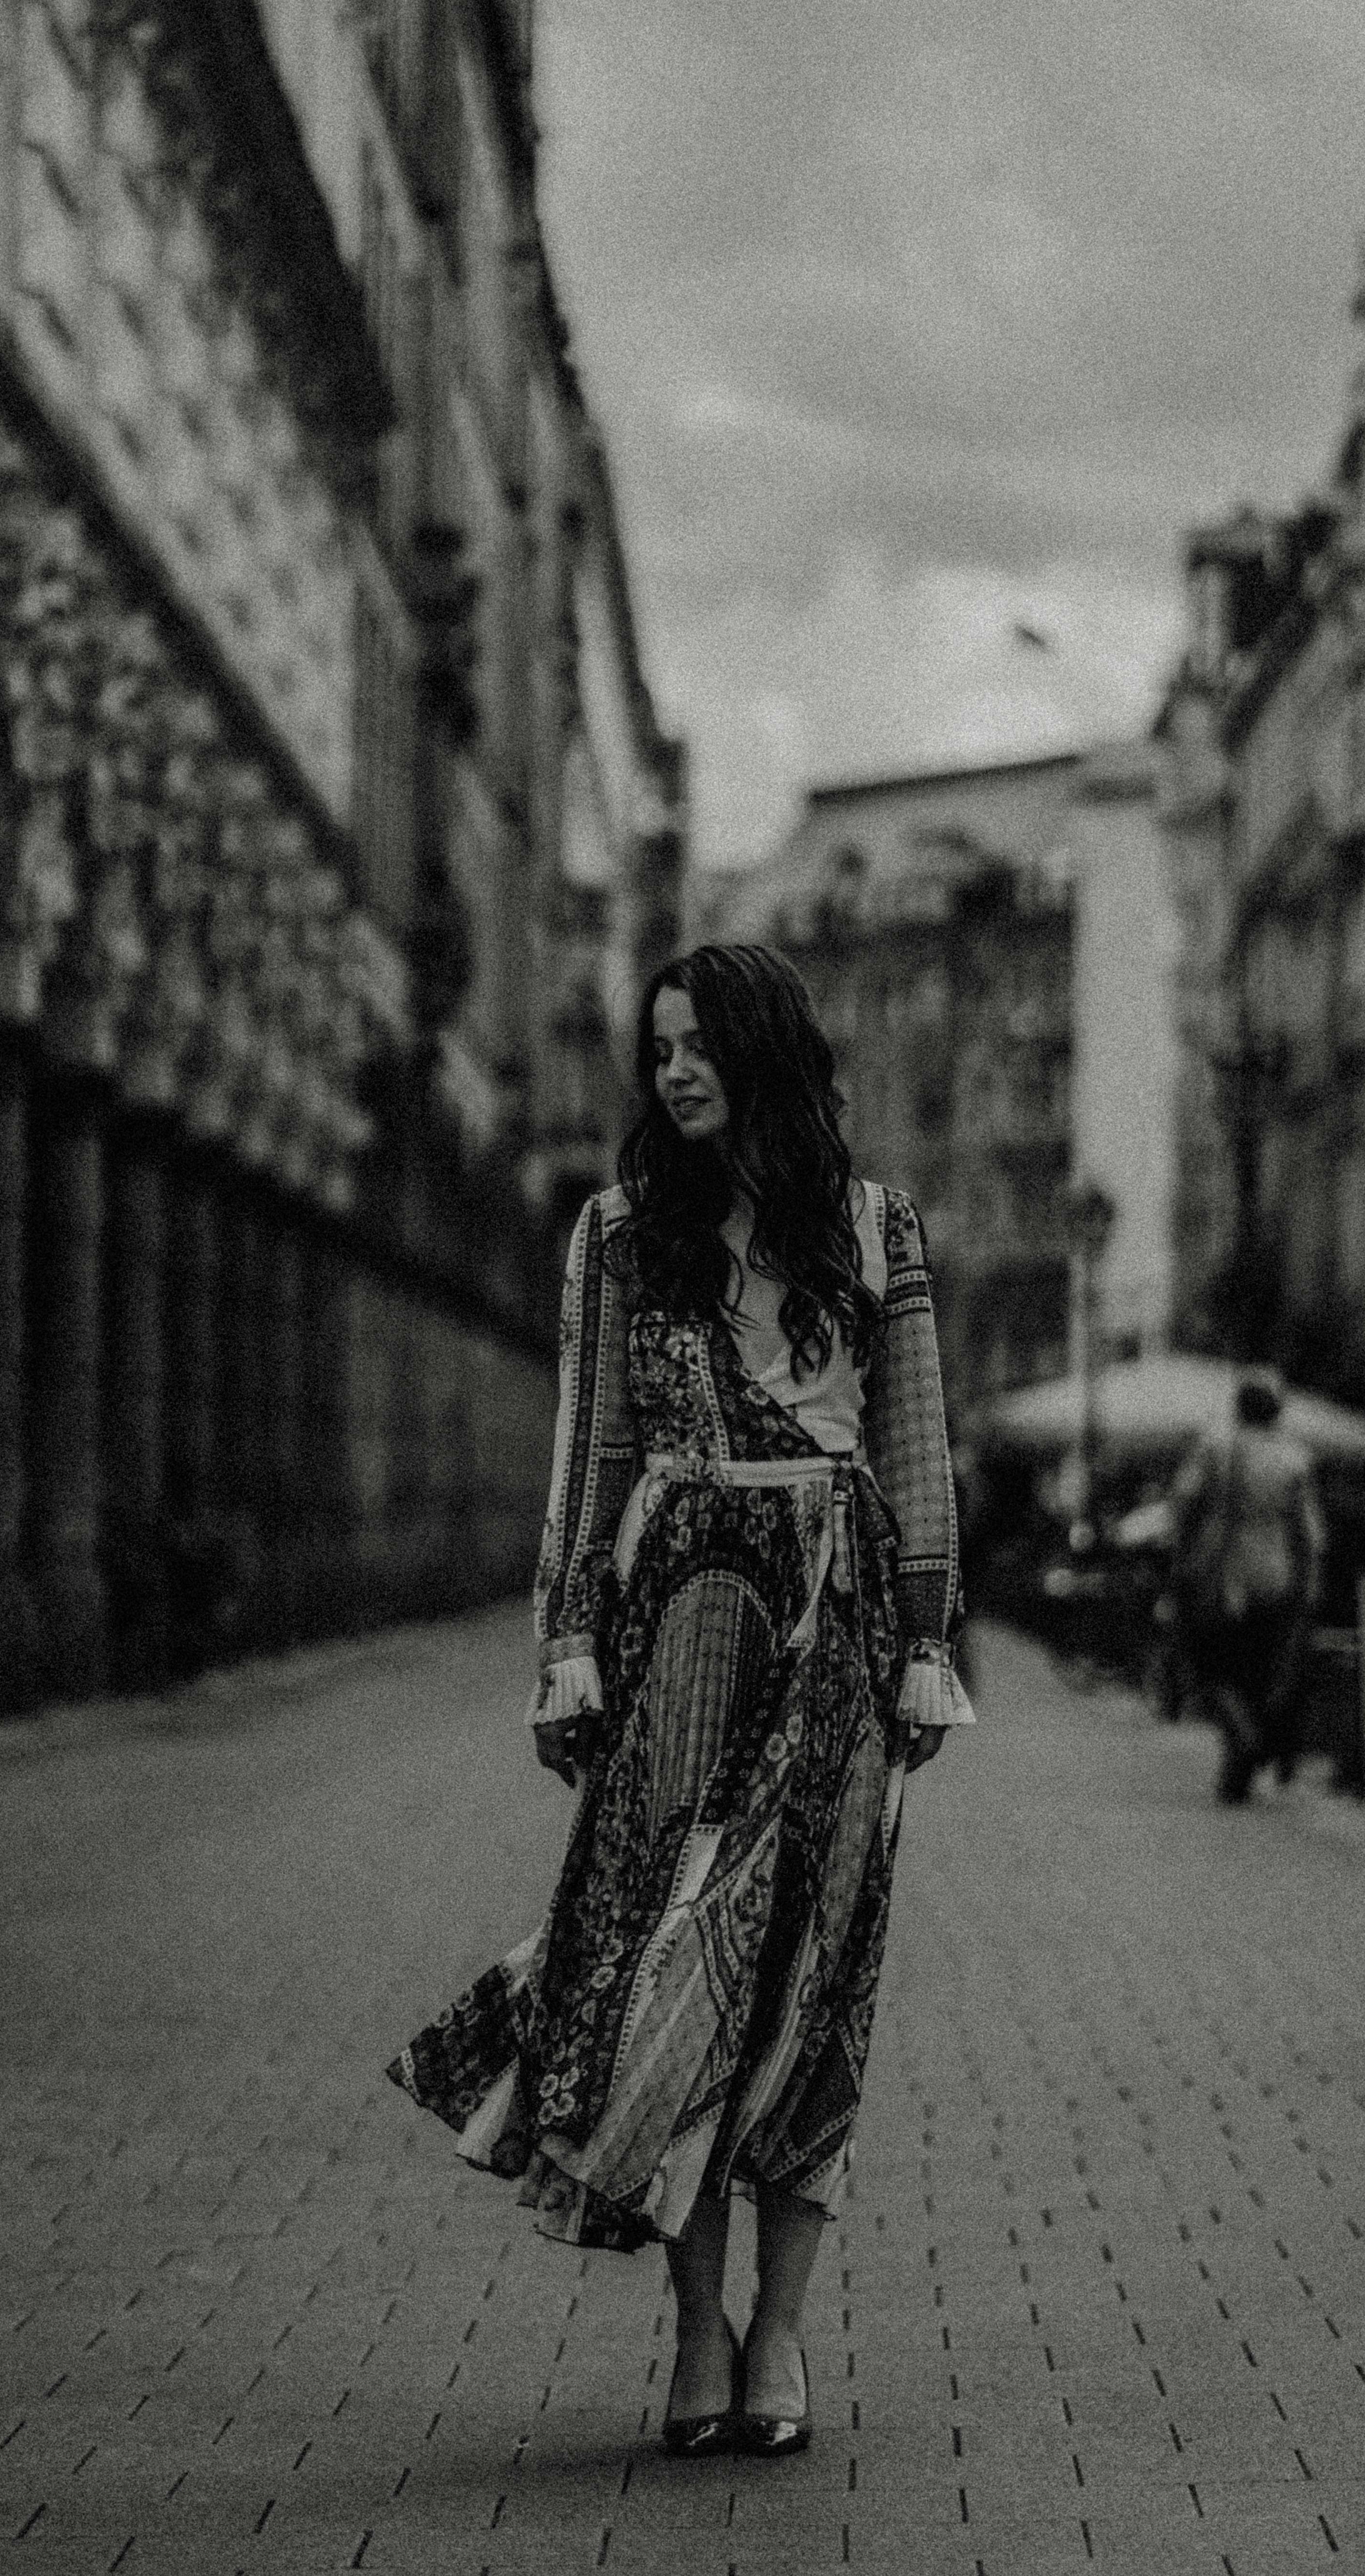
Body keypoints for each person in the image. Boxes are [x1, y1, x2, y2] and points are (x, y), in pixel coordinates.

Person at [387, 941, 973, 2458]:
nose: (675, 1072)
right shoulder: (618, 1234)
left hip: (838, 1622)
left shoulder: (876, 1228)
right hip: (681, 1627)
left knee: (817, 1978)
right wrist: (567, 1643)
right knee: (672, 1968)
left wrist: (926, 1644)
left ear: (763, 1051)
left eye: (700, 1044)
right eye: (659, 1050)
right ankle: (697, 2326)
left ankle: (778, 2332)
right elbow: (591, 1452)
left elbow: (915, 1454)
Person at [1169, 1369, 1324, 1805]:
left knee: (1211, 1663)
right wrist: (1309, 1583)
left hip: (1223, 1571)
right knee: (1259, 1671)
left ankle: (1243, 1737)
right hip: (1277, 1572)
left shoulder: (1216, 1446)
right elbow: (1310, 1532)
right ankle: (1241, 1765)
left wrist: (1182, 1559)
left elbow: (1185, 1504)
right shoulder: (1296, 1457)